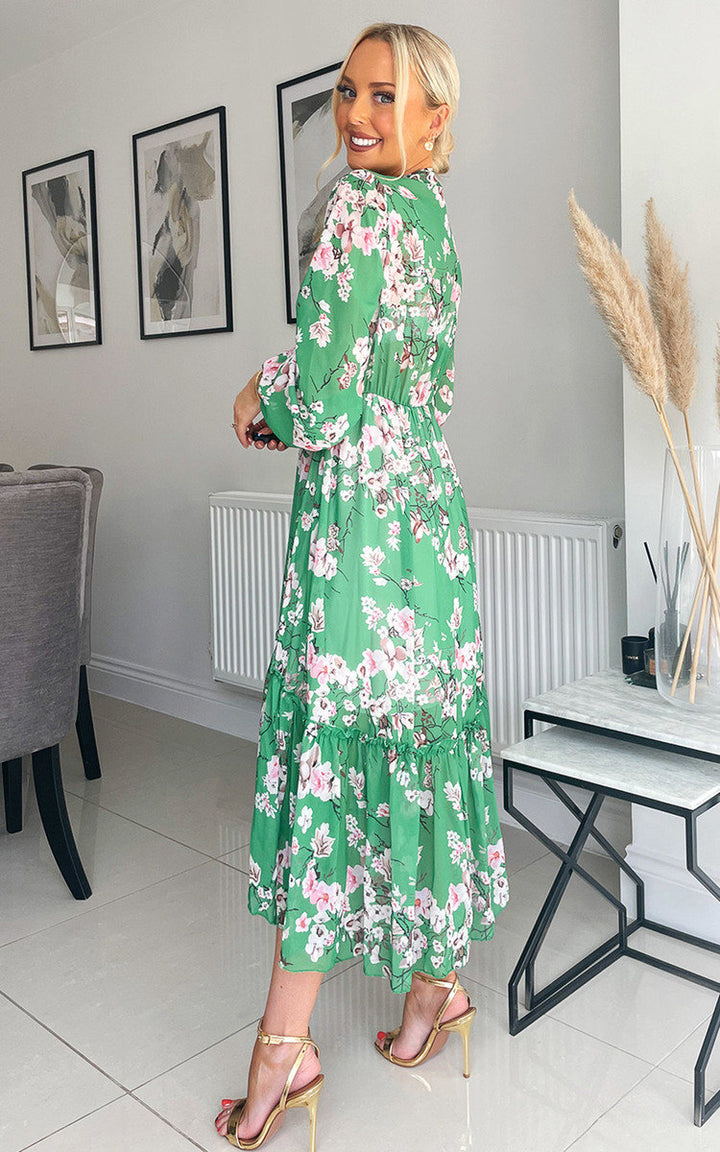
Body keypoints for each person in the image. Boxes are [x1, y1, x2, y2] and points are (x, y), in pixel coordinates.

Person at [218, 22, 509, 1151]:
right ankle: (438, 987)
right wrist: (300, 384)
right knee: (421, 743)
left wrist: (258, 400)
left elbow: (328, 399)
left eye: (386, 99)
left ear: (437, 119)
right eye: (348, 93)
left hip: (360, 531)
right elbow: (391, 371)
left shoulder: (355, 213)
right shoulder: (433, 222)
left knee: (335, 750)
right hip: (431, 522)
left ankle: (282, 1052)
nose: (356, 116)